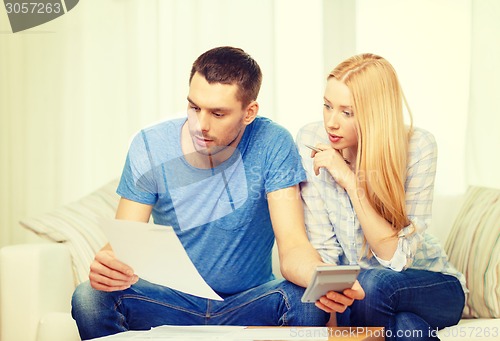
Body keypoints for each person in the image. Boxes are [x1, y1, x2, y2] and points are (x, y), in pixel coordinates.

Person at [71, 46, 364, 340]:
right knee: (89, 298)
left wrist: (322, 279)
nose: (201, 124)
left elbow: (293, 248)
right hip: (170, 302)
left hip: (249, 302)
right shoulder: (149, 145)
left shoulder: (273, 142)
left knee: (308, 303)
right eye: (194, 107)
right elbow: (124, 242)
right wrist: (108, 263)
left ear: (249, 112)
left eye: (218, 113)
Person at [296, 53, 466, 340]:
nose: (331, 122)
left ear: (375, 114)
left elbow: (396, 259)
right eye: (327, 106)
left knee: (373, 283)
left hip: (432, 285)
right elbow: (324, 251)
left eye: (346, 113)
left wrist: (350, 181)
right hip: (362, 297)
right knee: (405, 328)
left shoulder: (418, 147)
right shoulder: (311, 140)